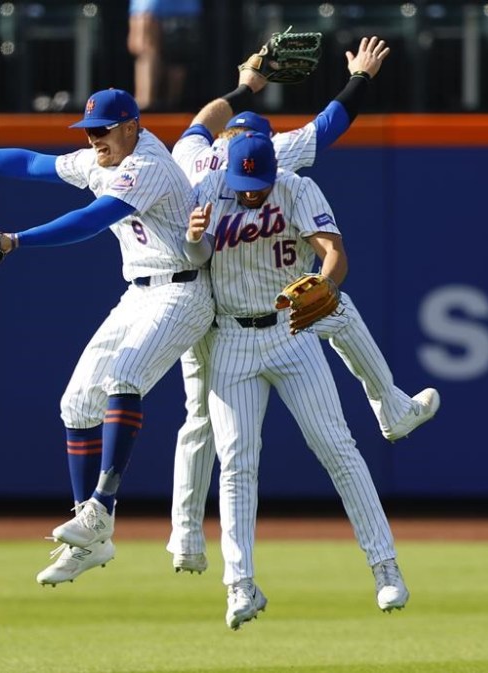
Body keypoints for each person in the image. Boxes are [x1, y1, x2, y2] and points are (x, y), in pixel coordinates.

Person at [0, 88, 214, 585]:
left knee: (125, 375)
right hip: (139, 291)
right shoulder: (103, 157)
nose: (94, 140)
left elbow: (92, 220)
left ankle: (102, 506)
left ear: (132, 126)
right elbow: (31, 164)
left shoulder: (147, 165)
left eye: (103, 130)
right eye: (88, 131)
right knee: (75, 404)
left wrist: (14, 240)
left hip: (184, 293)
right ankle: (92, 537)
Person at [167, 37, 440, 576]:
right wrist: (361, 76)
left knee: (198, 422)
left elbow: (203, 118)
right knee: (217, 431)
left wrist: (246, 86)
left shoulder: (195, 155)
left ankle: (185, 539)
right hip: (215, 302)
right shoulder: (274, 152)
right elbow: (333, 122)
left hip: (212, 303)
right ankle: (391, 404)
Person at [183, 131, 410, 629]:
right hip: (231, 338)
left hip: (290, 328)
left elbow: (335, 254)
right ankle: (239, 585)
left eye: (257, 183)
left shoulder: (296, 188)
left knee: (337, 447)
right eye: (242, 183)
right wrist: (195, 238)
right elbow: (195, 262)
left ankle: (385, 567)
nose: (250, 192)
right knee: (237, 462)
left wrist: (326, 285)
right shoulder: (205, 189)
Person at [127, 0, 202, 111]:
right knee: (174, 59)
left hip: (150, 7)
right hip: (181, 9)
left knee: (148, 52)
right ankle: (166, 108)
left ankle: (147, 107)